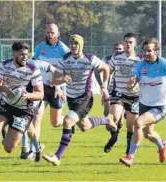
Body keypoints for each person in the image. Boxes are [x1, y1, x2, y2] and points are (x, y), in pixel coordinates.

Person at [119, 38, 166, 167]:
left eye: (149, 51)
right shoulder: (139, 65)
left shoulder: (165, 64)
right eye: (144, 51)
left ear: (157, 51)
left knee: (138, 123)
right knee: (148, 134)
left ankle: (130, 156)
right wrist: (130, 85)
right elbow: (132, 82)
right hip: (144, 105)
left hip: (159, 107)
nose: (146, 54)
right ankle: (162, 145)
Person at [42, 34, 116, 166]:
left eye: (76, 43)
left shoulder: (90, 59)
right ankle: (107, 119)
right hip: (71, 98)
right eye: (72, 43)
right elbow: (54, 80)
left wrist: (104, 86)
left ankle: (57, 156)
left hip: (85, 97)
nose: (74, 46)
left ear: (81, 45)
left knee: (67, 121)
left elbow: (106, 68)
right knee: (85, 126)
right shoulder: (64, 59)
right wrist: (63, 78)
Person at [0, 42, 44, 176]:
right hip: (5, 105)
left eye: (26, 54)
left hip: (23, 111)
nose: (25, 57)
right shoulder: (4, 66)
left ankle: (38, 146)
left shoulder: (33, 69)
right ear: (14, 54)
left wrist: (27, 95)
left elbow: (40, 94)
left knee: (9, 148)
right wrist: (4, 88)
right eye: (21, 55)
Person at [20, 23, 69, 159]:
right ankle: (33, 149)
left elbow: (66, 70)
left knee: (55, 123)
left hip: (56, 89)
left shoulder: (64, 49)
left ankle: (70, 119)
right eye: (47, 32)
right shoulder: (40, 47)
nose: (49, 35)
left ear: (58, 34)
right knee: (36, 116)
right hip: (42, 88)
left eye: (52, 32)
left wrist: (59, 86)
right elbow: (33, 65)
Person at [105, 33, 142, 154]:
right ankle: (114, 137)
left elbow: (143, 76)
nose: (128, 44)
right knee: (114, 117)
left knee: (130, 126)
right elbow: (108, 70)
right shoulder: (116, 57)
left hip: (134, 97)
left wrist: (136, 83)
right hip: (118, 93)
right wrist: (104, 86)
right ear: (123, 43)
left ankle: (128, 151)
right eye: (126, 42)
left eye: (131, 42)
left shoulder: (140, 60)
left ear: (135, 44)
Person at [94, 42, 124, 116]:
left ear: (123, 49)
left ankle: (117, 125)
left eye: (120, 49)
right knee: (107, 112)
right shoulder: (107, 59)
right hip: (108, 90)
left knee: (119, 115)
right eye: (116, 49)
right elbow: (96, 71)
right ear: (113, 50)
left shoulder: (126, 60)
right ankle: (111, 125)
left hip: (121, 90)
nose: (118, 50)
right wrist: (102, 85)